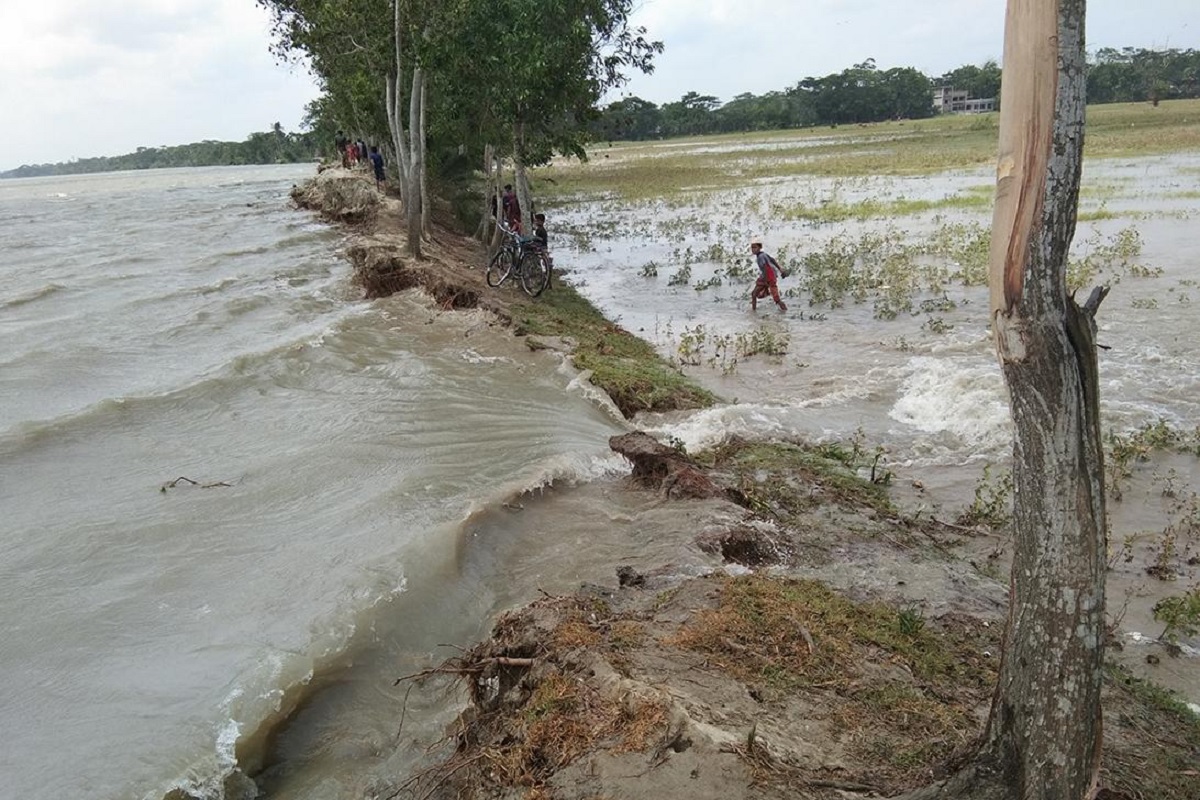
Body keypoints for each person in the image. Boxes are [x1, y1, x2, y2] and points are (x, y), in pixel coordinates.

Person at [750, 240, 787, 312]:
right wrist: (780, 269)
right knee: (754, 294)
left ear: (759, 247)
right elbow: (772, 260)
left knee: (776, 299)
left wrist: (767, 280)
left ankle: (785, 310)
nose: (753, 249)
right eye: (752, 248)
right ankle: (753, 311)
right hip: (767, 277)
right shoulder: (763, 254)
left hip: (769, 278)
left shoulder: (760, 257)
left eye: (755, 247)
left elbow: (765, 268)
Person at [533, 212, 554, 289]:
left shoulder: (540, 230)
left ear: (541, 221)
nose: (535, 222)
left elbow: (540, 240)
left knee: (544, 266)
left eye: (536, 220)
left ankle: (545, 281)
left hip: (542, 248)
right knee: (547, 266)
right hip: (544, 248)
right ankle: (548, 282)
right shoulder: (541, 229)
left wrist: (534, 239)